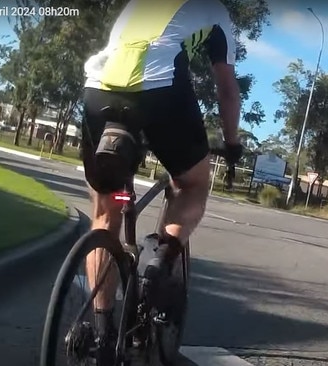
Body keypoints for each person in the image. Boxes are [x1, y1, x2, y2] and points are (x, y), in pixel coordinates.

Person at [79, 0, 243, 362]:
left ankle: (102, 334)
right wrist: (232, 145)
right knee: (192, 185)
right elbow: (227, 91)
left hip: (98, 88)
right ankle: (157, 262)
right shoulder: (215, 12)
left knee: (105, 214)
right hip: (159, 90)